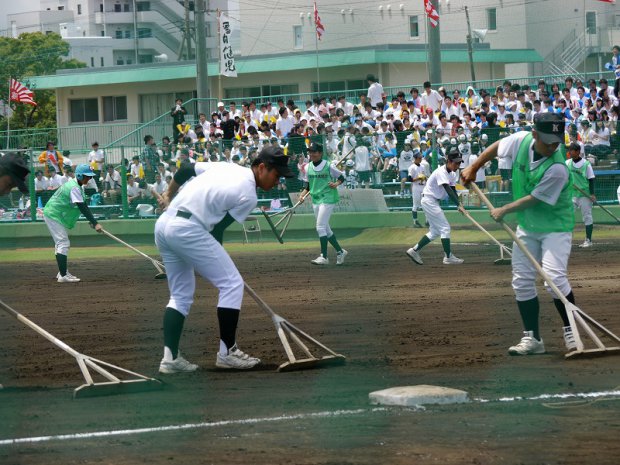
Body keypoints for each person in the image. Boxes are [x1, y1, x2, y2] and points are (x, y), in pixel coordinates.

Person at [154, 145, 295, 373]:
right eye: (276, 175)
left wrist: (169, 194)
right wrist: (220, 260)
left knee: (180, 295)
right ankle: (227, 352)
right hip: (188, 229)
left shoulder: (227, 167)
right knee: (231, 283)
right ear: (261, 168)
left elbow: (186, 169)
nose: (277, 181)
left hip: (164, 225)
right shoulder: (249, 195)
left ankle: (170, 358)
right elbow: (217, 231)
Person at [461, 113, 579, 355]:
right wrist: (474, 166)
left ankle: (572, 332)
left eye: (557, 141)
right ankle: (532, 339)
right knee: (522, 281)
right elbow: (497, 147)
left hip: (555, 228)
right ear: (534, 134)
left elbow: (535, 199)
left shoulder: (558, 168)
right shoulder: (521, 140)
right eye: (548, 142)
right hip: (527, 226)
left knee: (554, 279)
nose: (554, 146)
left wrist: (504, 209)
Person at [42, 164, 103, 283]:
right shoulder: (74, 187)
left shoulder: (77, 185)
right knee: (63, 242)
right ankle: (63, 275)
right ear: (80, 175)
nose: (89, 179)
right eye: (87, 176)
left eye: (90, 177)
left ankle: (62, 272)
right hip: (53, 214)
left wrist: (92, 221)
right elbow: (82, 207)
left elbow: (82, 205)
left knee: (60, 243)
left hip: (54, 214)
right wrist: (95, 223)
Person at [406, 148, 466, 265]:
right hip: (429, 200)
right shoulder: (441, 172)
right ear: (449, 161)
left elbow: (453, 189)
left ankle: (414, 250)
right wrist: (458, 204)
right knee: (445, 228)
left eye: (459, 163)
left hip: (432, 201)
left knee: (435, 231)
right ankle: (448, 257)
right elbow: (447, 189)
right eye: (456, 162)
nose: (458, 165)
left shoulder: (453, 173)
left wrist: (459, 205)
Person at [298, 143, 348, 266]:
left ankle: (324, 257)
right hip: (315, 199)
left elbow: (342, 177)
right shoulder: (307, 167)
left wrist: (336, 184)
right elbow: (307, 185)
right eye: (310, 152)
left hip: (328, 197)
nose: (311, 154)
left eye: (314, 152)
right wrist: (302, 195)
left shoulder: (328, 166)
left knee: (320, 227)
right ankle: (340, 252)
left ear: (320, 153)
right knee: (326, 228)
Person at [566, 142, 596, 248]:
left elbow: (591, 179)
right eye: (569, 150)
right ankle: (566, 240)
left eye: (572, 150)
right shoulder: (567, 163)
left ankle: (588, 240)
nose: (570, 152)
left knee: (587, 216)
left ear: (578, 151)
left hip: (585, 194)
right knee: (567, 215)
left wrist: (592, 194)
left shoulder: (586, 164)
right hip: (572, 194)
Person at [407, 150, 426, 228]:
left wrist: (426, 179)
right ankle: (415, 221)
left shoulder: (422, 166)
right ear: (415, 158)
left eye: (421, 158)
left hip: (423, 186)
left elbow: (424, 176)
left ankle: (427, 221)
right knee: (416, 205)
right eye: (419, 158)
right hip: (416, 187)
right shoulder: (412, 167)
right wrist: (418, 178)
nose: (421, 159)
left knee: (425, 204)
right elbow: (409, 179)